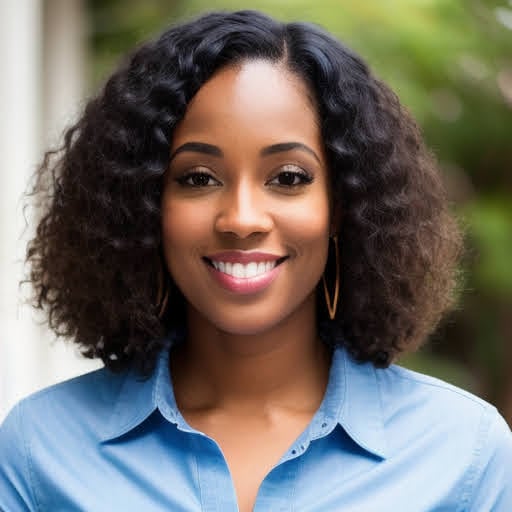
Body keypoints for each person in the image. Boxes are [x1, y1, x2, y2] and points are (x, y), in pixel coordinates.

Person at [1, 9, 511, 512]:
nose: (242, 219)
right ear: (143, 207)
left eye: (289, 177)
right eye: (198, 177)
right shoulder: (39, 451)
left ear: (342, 207)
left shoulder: (463, 454)